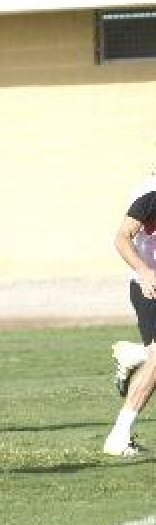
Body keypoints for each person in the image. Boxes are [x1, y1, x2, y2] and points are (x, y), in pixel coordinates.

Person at [102, 174, 156, 456]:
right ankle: (119, 436)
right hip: (149, 287)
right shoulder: (151, 198)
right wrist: (144, 271)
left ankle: (136, 355)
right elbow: (122, 238)